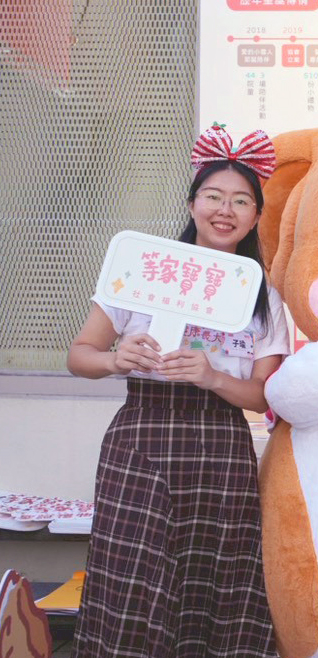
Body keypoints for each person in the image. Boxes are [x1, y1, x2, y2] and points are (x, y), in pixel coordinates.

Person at [67, 124, 290, 657]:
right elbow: (79, 355)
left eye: (241, 201)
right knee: (133, 577)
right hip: (142, 440)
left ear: (256, 216)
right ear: (192, 204)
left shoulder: (264, 296)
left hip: (221, 448)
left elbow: (264, 396)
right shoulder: (143, 270)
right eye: (213, 196)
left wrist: (214, 377)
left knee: (215, 579)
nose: (225, 210)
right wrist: (114, 359)